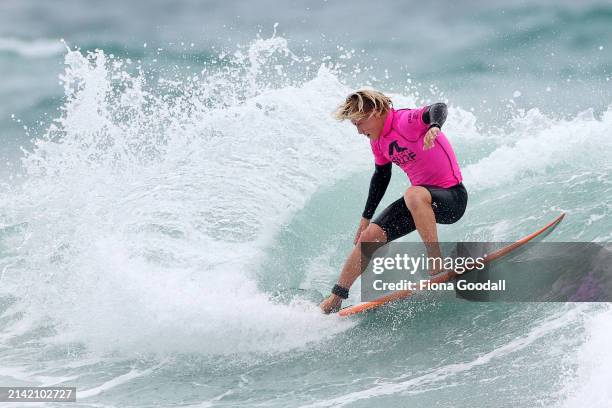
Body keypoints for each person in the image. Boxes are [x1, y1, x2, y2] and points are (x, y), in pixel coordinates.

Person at [319, 89, 468, 314]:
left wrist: (434, 126)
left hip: (452, 198)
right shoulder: (378, 143)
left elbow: (438, 107)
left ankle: (435, 261)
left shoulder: (405, 121)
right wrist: (365, 218)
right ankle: (336, 298)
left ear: (375, 112)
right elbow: (381, 176)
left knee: (413, 193)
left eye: (359, 123)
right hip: (423, 203)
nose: (359, 131)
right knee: (369, 236)